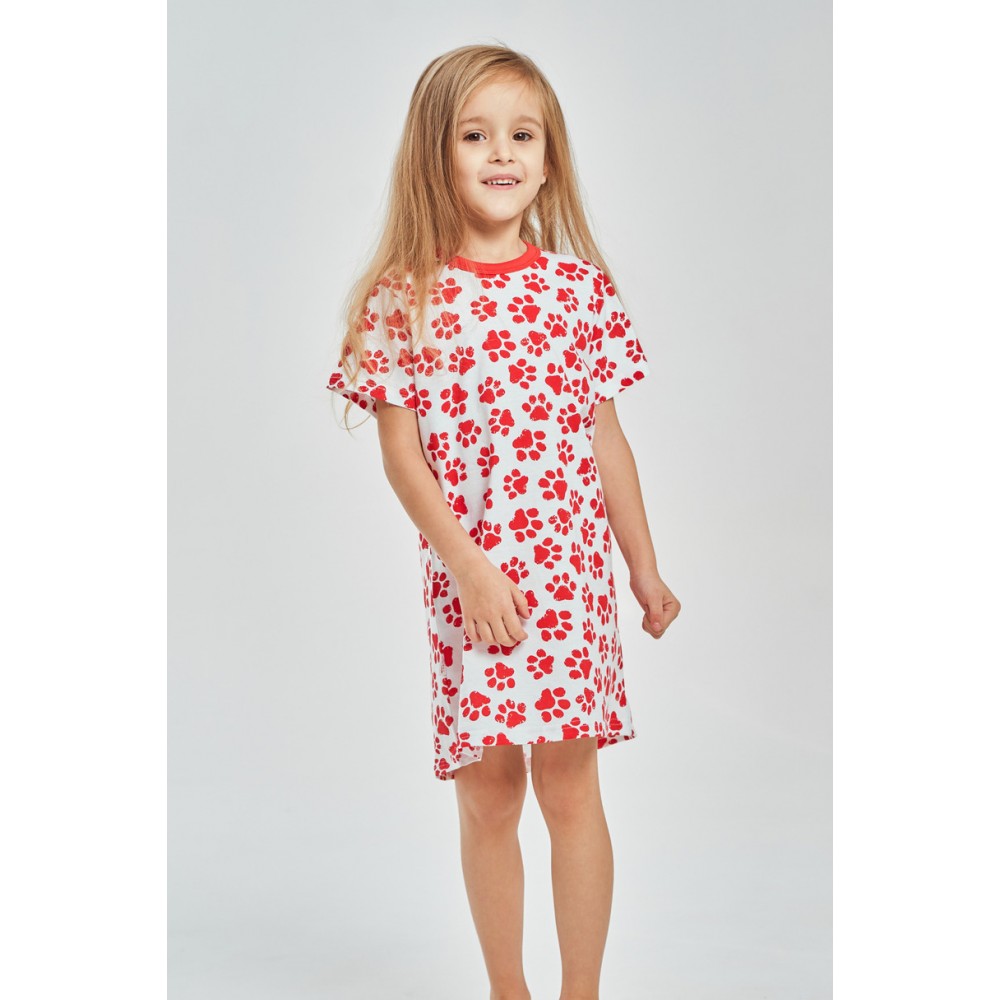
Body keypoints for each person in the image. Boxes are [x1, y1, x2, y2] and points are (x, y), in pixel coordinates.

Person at [327, 42, 680, 1000]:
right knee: (488, 792)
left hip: (568, 582)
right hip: (471, 584)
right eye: (475, 135)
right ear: (433, 156)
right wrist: (470, 568)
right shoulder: (402, 299)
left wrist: (644, 569)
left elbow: (607, 442)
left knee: (570, 786)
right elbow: (403, 457)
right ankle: (507, 990)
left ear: (549, 158)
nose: (501, 154)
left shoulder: (578, 292)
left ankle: (580, 992)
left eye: (523, 136)